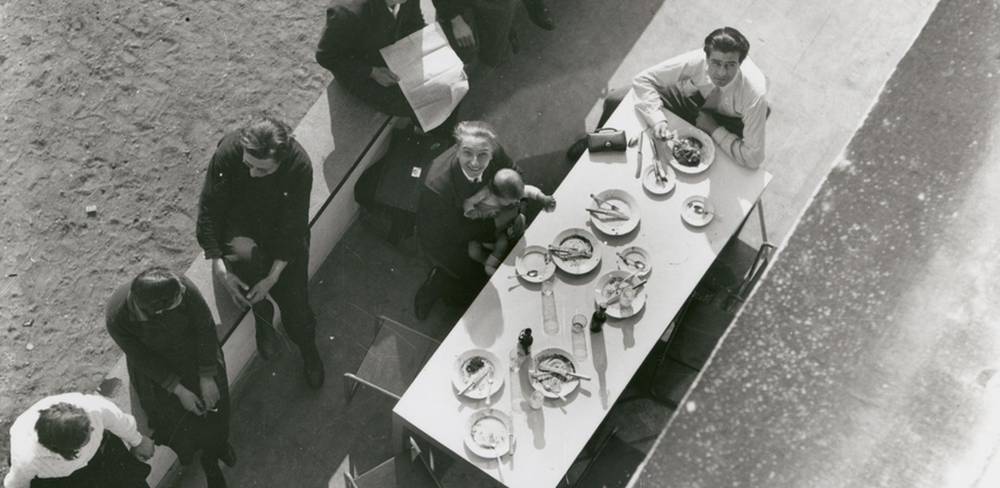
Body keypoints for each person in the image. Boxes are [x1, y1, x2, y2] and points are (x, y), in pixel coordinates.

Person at [195, 115, 325, 389]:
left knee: (297, 309)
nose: (253, 174)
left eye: (263, 170)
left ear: (282, 159)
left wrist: (273, 277)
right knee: (243, 259)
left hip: (281, 233)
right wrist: (218, 265)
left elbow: (294, 227)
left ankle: (307, 349)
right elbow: (210, 207)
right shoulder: (229, 151)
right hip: (241, 226)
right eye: (248, 166)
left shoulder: (299, 166)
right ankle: (262, 313)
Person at [105, 267, 234, 488]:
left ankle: (214, 455)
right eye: (178, 298)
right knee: (180, 430)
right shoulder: (118, 316)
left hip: (199, 359)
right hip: (159, 376)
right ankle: (204, 457)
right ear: (158, 310)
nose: (184, 292)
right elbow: (141, 358)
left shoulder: (178, 285)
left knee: (217, 410)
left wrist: (206, 377)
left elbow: (204, 326)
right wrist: (179, 390)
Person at [568, 27, 768, 169]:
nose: (721, 73)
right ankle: (594, 141)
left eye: (730, 65)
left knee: (719, 167)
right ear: (706, 57)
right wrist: (657, 120)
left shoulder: (754, 94)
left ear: (740, 63)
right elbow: (644, 79)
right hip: (694, 99)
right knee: (615, 99)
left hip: (727, 118)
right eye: (715, 63)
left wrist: (715, 129)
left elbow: (754, 158)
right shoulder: (697, 59)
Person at [413, 120, 519, 320]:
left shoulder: (491, 148)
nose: (475, 163)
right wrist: (498, 223)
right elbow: (453, 233)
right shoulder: (436, 187)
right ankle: (439, 283)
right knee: (481, 290)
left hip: (488, 219)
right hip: (448, 241)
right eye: (467, 153)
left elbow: (514, 171)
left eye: (483, 155)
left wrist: (515, 203)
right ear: (458, 149)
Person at [4, 392, 154, 488]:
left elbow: (117, 420)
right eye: (87, 435)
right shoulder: (27, 458)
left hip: (103, 459)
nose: (94, 429)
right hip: (65, 482)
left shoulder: (91, 408)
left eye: (89, 427)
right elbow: (17, 483)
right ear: (67, 450)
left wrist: (138, 441)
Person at [315, 0, 426, 117]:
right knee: (415, 102)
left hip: (392, 51)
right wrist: (372, 72)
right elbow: (325, 57)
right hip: (361, 66)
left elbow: (414, 22)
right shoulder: (346, 12)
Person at [463, 168, 555, 274]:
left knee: (517, 221)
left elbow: (528, 190)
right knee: (478, 250)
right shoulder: (485, 194)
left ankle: (516, 236)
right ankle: (490, 265)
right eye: (512, 200)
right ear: (498, 196)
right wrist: (473, 212)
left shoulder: (509, 194)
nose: (516, 201)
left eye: (518, 198)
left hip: (507, 224)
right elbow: (468, 202)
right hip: (491, 232)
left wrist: (543, 198)